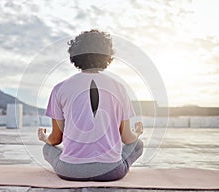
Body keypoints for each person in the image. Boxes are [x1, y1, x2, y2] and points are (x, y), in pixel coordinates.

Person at [38, 29, 143, 181]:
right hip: (111, 171)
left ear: (75, 55)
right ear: (107, 55)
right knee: (138, 144)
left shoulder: (59, 88)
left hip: (70, 171)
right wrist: (137, 132)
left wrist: (44, 138)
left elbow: (55, 139)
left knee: (47, 148)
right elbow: (128, 139)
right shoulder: (119, 87)